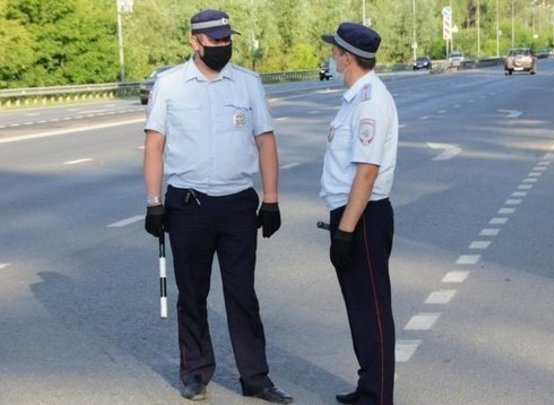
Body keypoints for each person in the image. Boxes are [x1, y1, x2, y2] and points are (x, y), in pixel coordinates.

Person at [142, 9, 293, 404]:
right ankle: (195, 373)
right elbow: (154, 146)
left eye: (228, 40)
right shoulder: (170, 85)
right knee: (192, 294)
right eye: (215, 41)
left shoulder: (247, 83)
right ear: (195, 42)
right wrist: (154, 202)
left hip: (238, 206)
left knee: (242, 295)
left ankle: (256, 379)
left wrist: (272, 200)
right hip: (187, 205)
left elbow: (266, 141)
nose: (223, 47)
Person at [320, 23, 398, 405]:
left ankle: (379, 396)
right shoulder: (357, 97)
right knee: (360, 310)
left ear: (347, 56)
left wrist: (346, 231)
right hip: (354, 215)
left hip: (363, 218)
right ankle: (370, 387)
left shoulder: (369, 102)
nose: (331, 56)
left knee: (371, 311)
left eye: (335, 50)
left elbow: (367, 172)